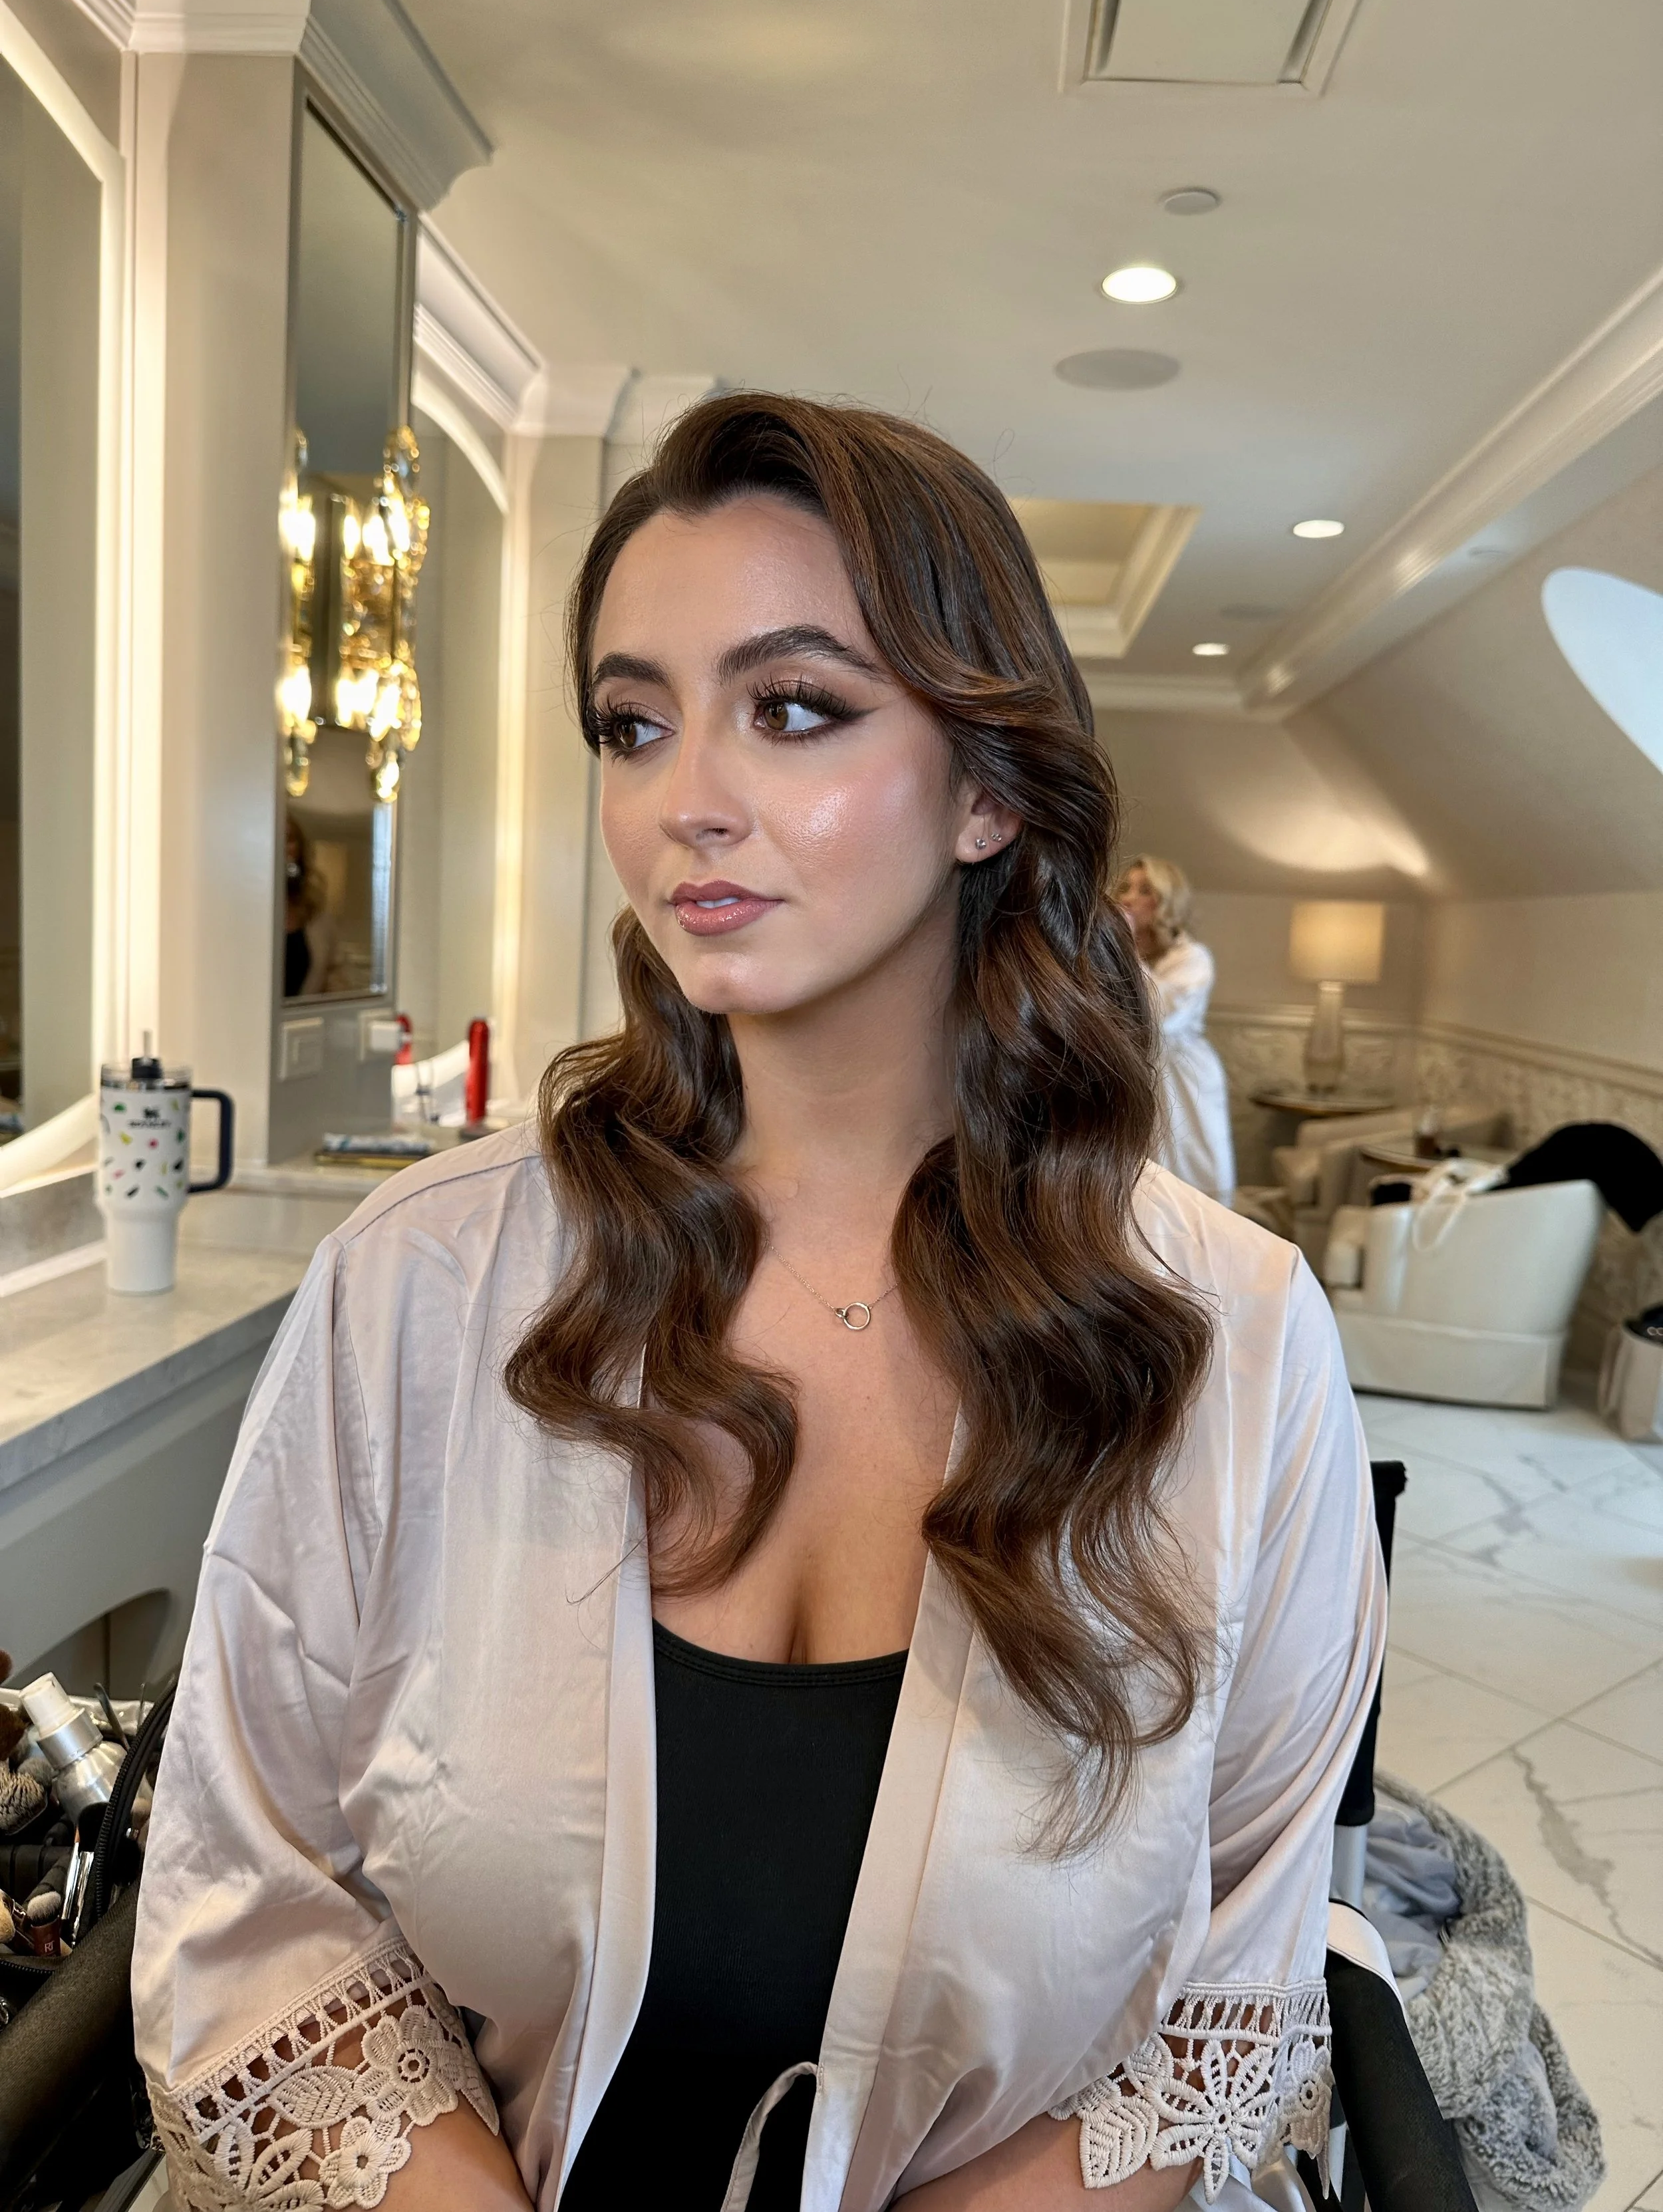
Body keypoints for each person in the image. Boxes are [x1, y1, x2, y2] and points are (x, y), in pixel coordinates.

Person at [133, 396, 1383, 2212]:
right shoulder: (417, 1291)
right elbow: (256, 1898)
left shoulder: (1238, 1345)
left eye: (792, 707)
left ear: (982, 784)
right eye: (634, 723)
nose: (684, 799)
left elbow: (1227, 2010)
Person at [1115, 856, 1236, 1206]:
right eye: (1125, 888)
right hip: (1133, 1072)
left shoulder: (1193, 958)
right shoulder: (1115, 956)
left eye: (1144, 890)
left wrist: (1126, 952)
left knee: (1188, 1180)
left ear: (1167, 901)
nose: (1127, 899)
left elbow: (1160, 1018)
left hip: (1182, 1080)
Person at [283, 813, 343, 997]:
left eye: (290, 839)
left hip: (301, 1021)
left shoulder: (318, 916)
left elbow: (335, 974)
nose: (284, 848)